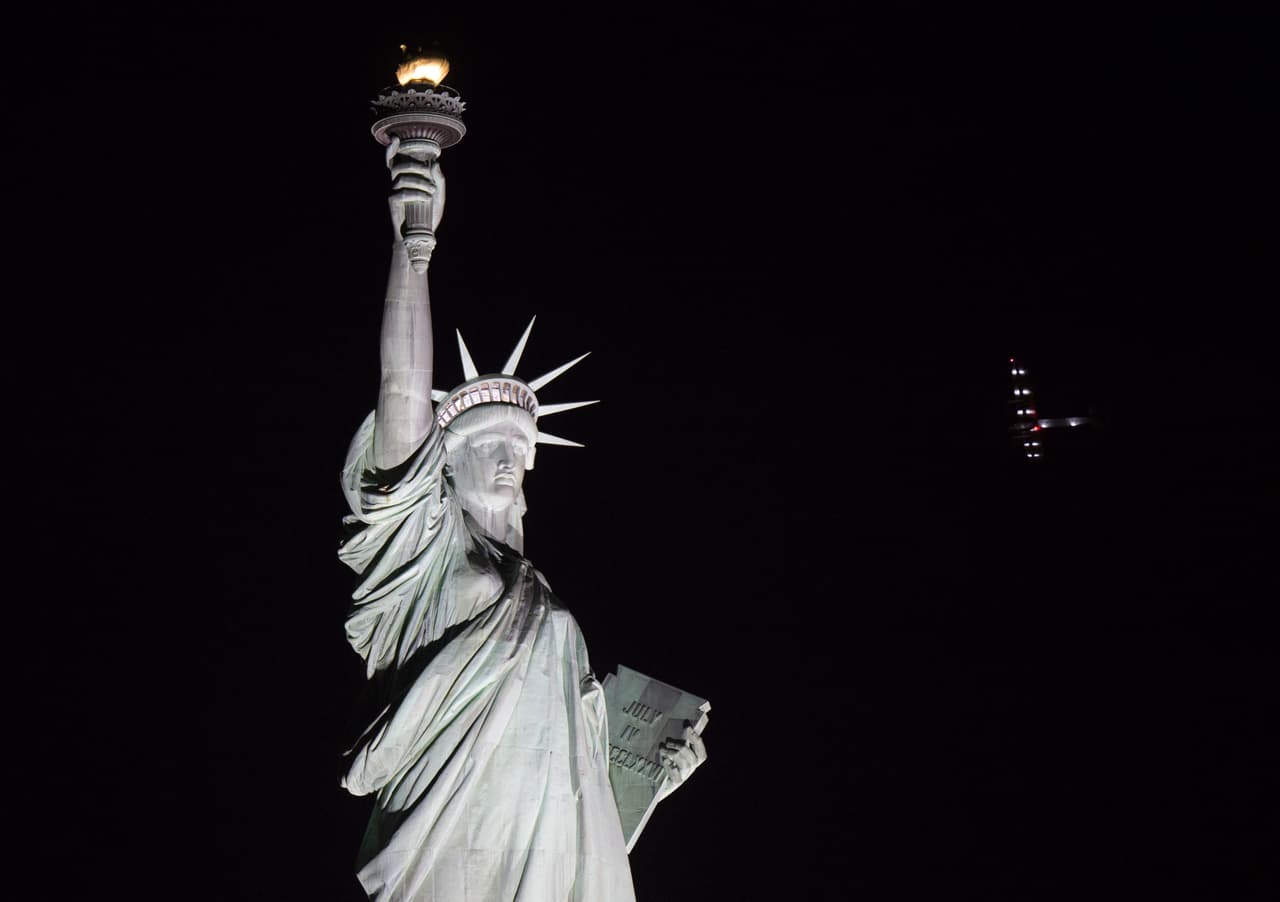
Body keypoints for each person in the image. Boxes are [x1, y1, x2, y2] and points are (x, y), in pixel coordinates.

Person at [337, 137, 707, 901]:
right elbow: (403, 389)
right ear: (444, 462)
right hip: (446, 841)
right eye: (486, 444)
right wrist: (416, 244)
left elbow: (569, 788)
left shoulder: (543, 601)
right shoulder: (425, 551)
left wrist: (652, 777)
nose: (506, 457)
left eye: (517, 445)